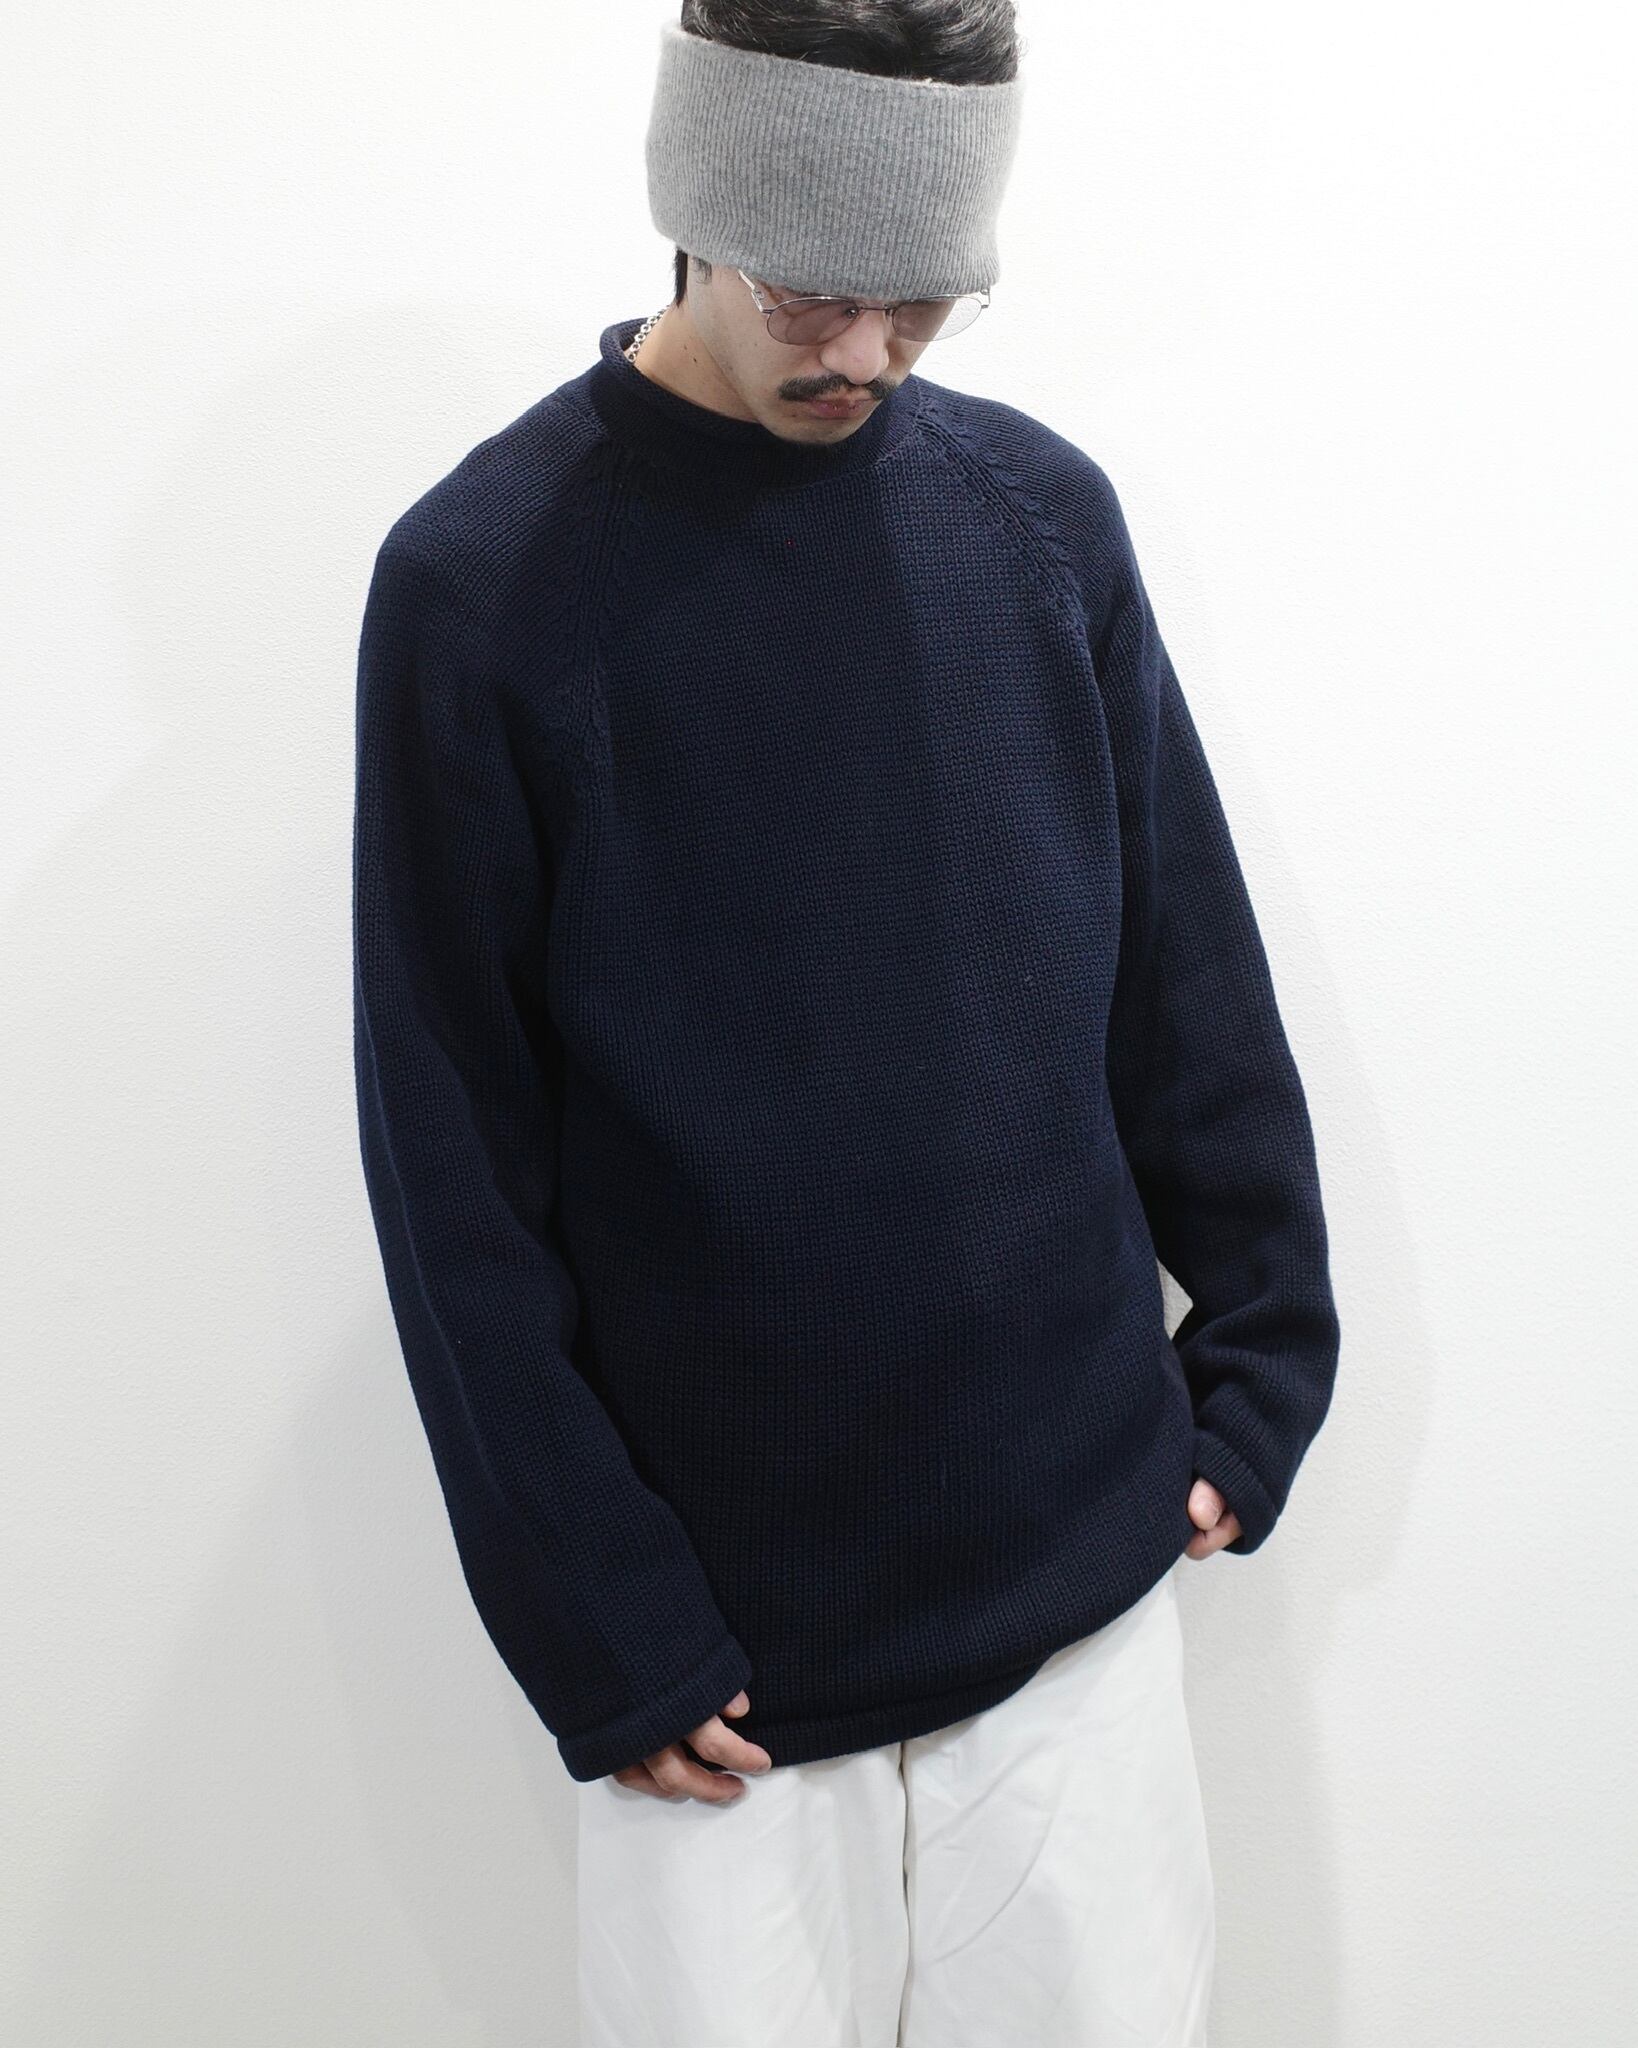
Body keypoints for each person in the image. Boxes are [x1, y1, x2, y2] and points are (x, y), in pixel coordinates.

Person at [351, 5, 1341, 2042]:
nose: (870, 354)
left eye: (927, 300)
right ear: (695, 214)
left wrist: (1260, 1359)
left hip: (1075, 1588)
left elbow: (1185, 976)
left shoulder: (1036, 521)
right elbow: (450, 1155)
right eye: (816, 295)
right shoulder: (482, 585)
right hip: (716, 1658)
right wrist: (593, 1610)